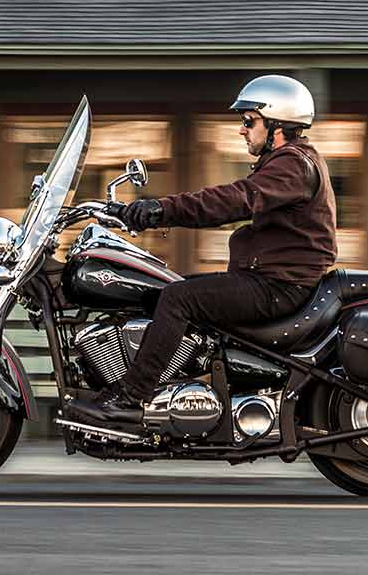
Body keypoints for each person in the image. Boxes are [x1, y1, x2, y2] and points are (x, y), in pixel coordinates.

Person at [64, 74, 338, 429]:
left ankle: (131, 398)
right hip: (268, 279)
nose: (242, 130)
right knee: (156, 293)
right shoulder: (289, 163)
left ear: (277, 124)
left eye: (248, 121)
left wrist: (160, 210)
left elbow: (232, 200)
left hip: (278, 286)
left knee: (178, 299)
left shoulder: (293, 165)